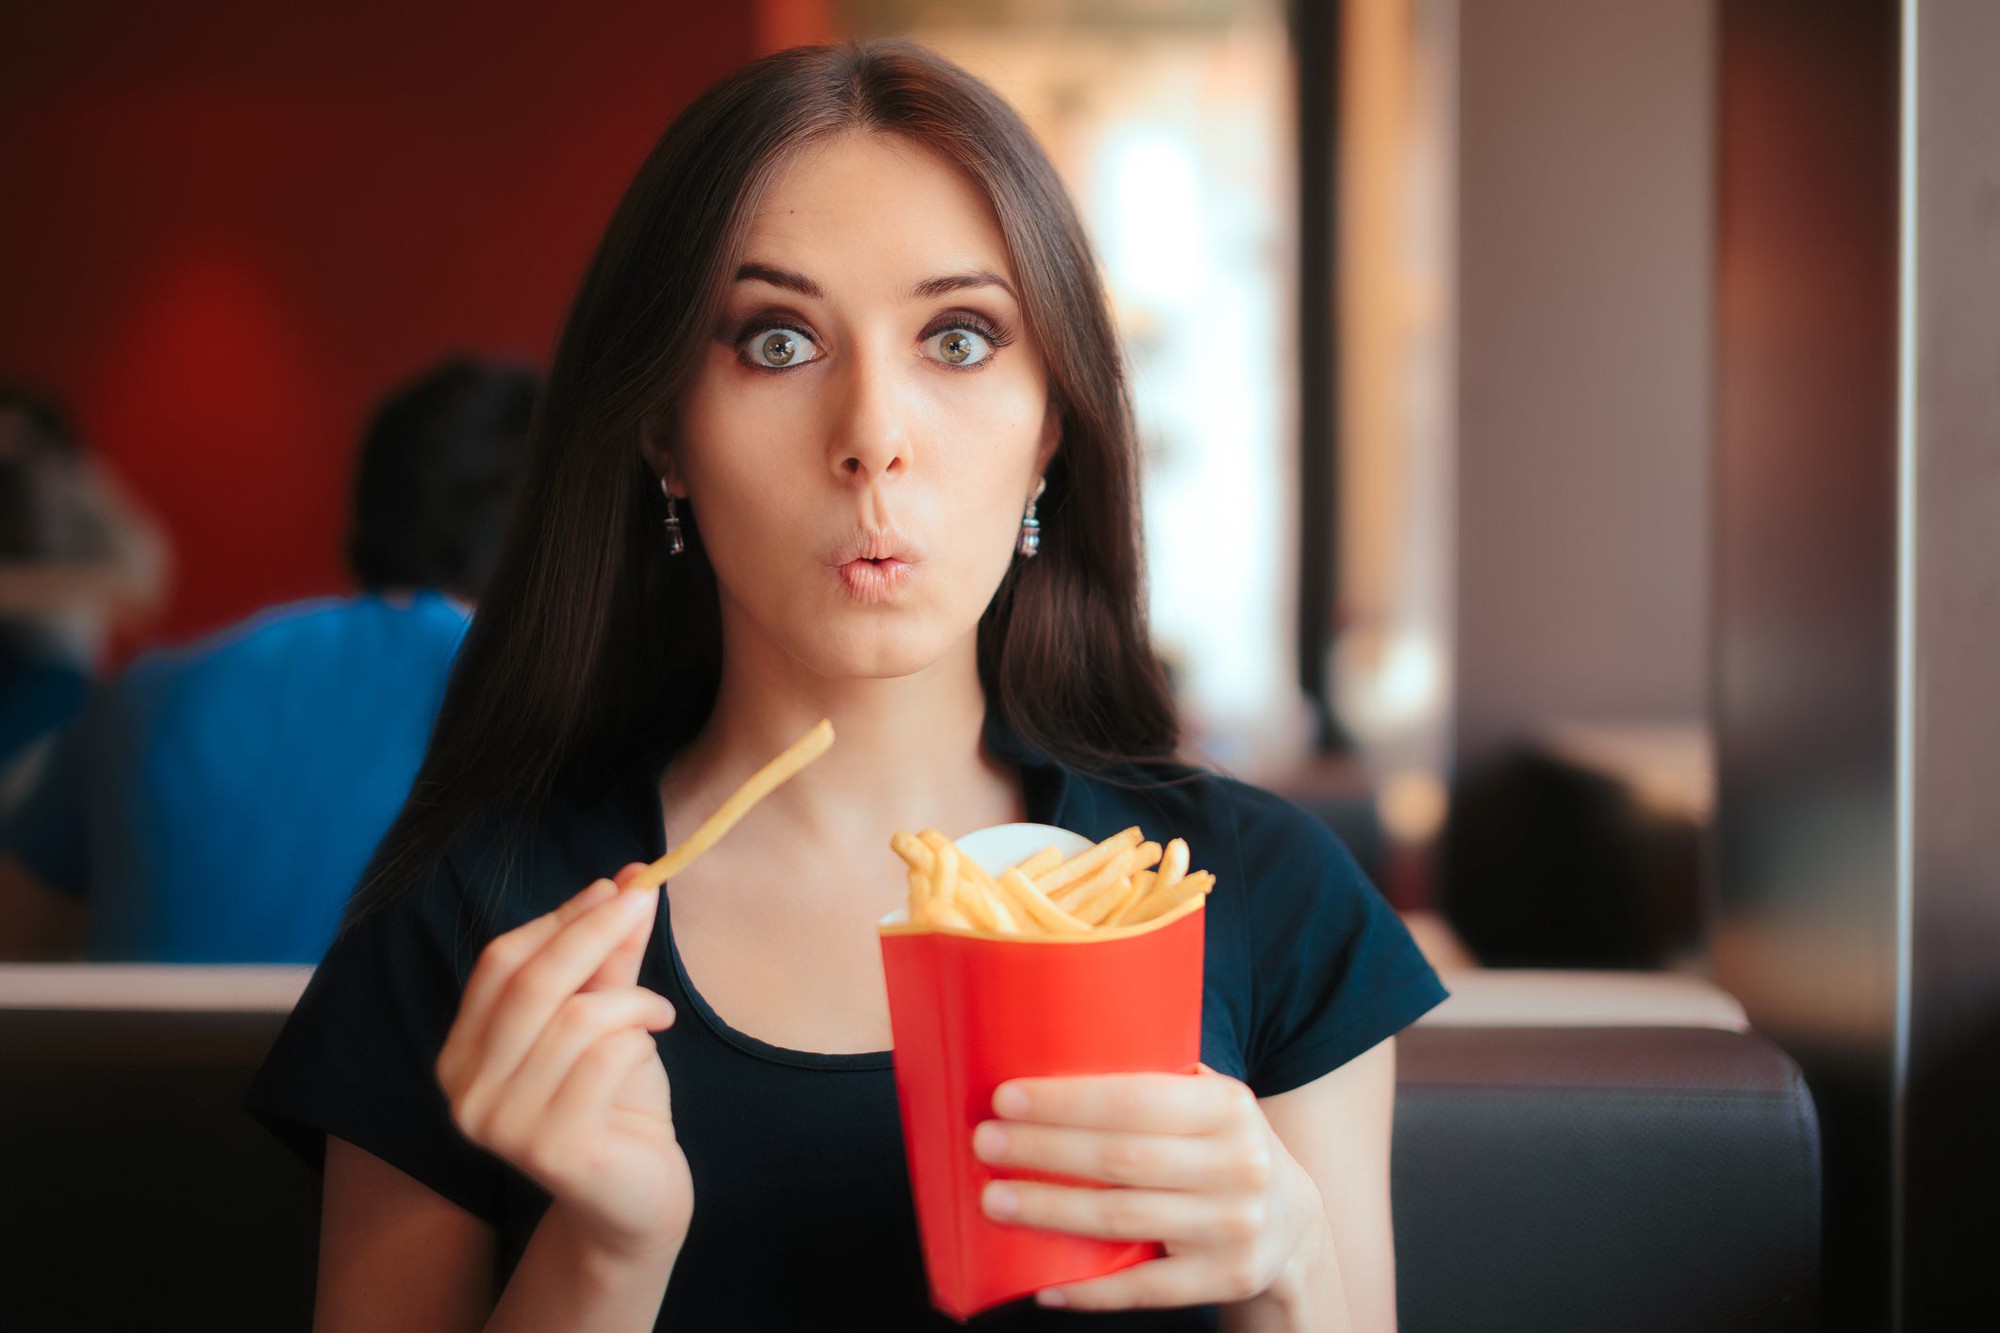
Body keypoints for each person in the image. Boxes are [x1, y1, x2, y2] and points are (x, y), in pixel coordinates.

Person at [246, 41, 1446, 1331]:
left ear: (1052, 426)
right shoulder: (469, 928)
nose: (874, 432)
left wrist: (1292, 1259)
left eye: (960, 337)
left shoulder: (1271, 896)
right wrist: (602, 1251)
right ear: (663, 431)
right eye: (777, 340)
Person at [0, 357, 535, 962]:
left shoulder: (145, 694)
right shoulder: (559, 713)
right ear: (551, 528)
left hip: (143, 1058)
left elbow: (15, 945)